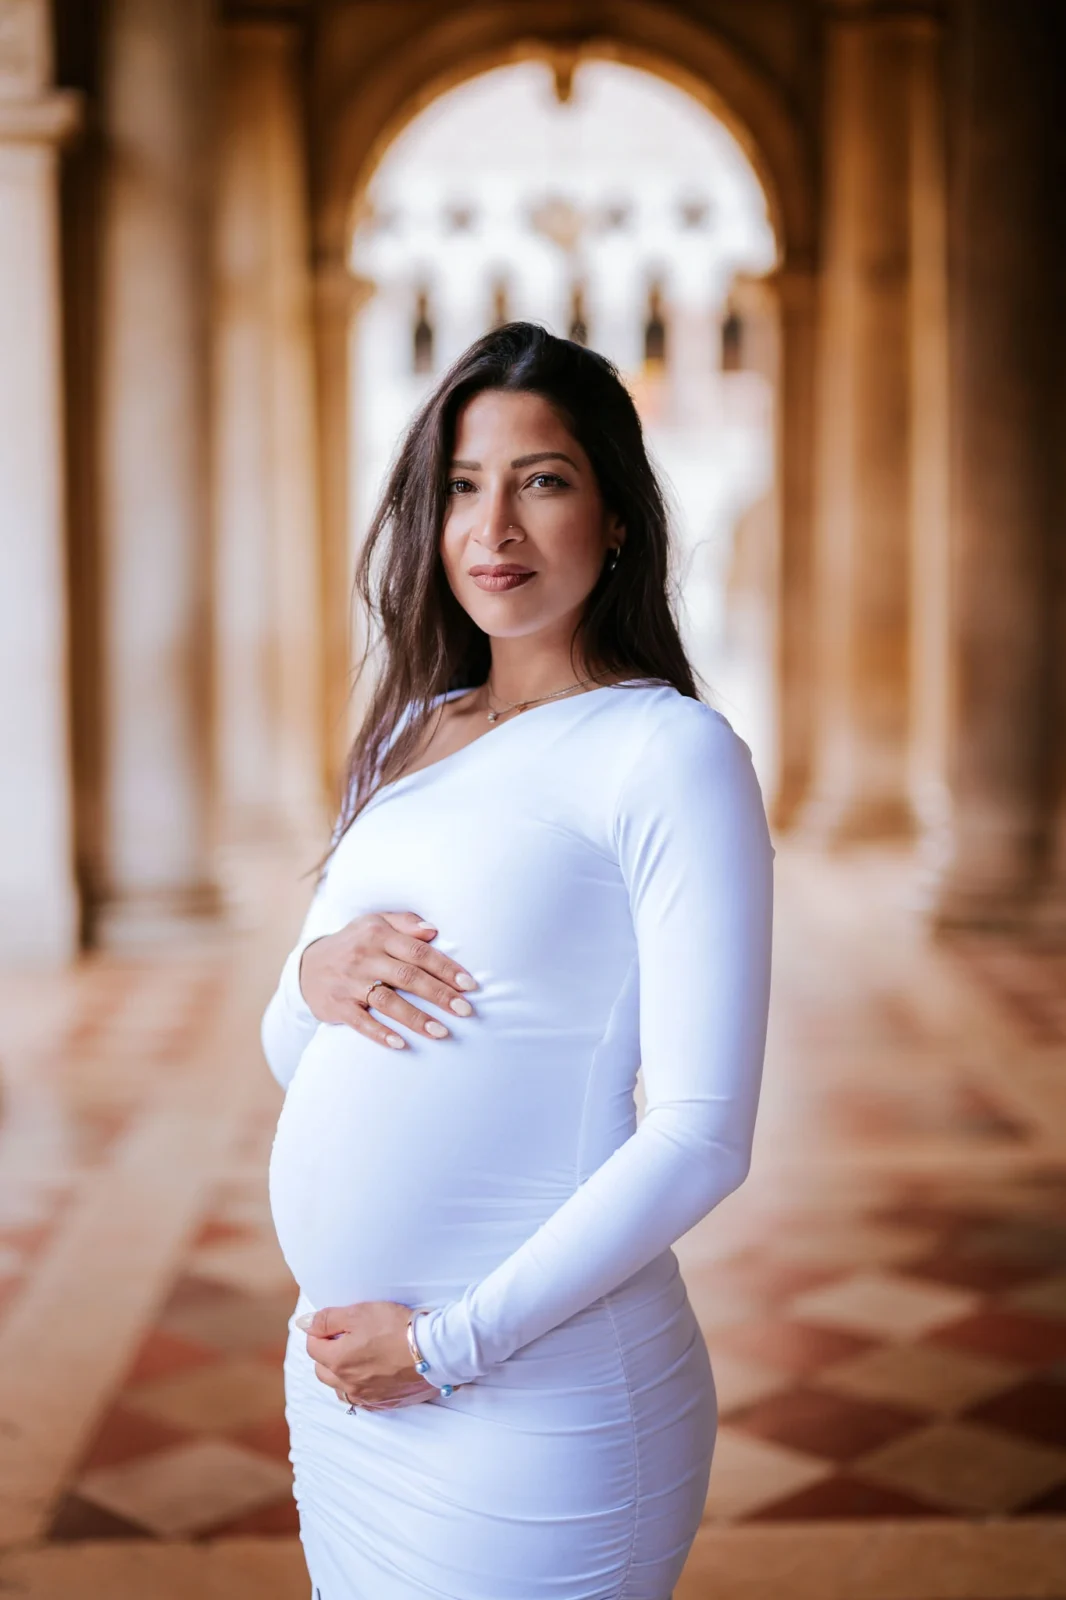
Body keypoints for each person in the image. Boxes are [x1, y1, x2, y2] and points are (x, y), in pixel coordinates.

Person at [261, 322, 774, 1600]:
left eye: (541, 480)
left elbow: (704, 1133)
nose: (494, 526)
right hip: (346, 1387)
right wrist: (310, 971)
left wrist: (444, 1345)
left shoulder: (668, 751)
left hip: (533, 1392)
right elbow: (303, 1046)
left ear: (614, 517)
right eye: (462, 484)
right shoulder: (413, 734)